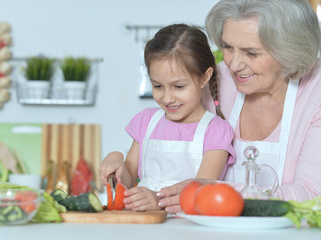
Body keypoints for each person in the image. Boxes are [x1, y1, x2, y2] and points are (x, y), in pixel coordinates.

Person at [156, 0, 321, 214]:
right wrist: (126, 166)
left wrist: (213, 190)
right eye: (227, 47)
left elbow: (311, 196)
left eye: (251, 53)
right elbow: (166, 145)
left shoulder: (319, 89)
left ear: (290, 51)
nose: (233, 65)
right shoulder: (214, 81)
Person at [99, 24, 235, 211]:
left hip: (188, 225)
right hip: (145, 221)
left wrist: (158, 200)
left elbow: (201, 189)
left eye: (179, 87)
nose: (167, 98)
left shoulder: (216, 130)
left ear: (205, 77)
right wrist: (115, 163)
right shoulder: (146, 121)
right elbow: (128, 181)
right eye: (158, 86)